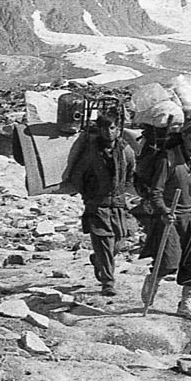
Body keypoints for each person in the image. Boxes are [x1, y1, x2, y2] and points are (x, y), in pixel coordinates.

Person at [140, 115, 191, 319]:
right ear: (184, 137)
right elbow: (156, 192)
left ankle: (186, 303)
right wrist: (164, 211)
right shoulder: (169, 159)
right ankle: (153, 280)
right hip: (171, 217)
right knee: (169, 262)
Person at [67, 114, 137, 296]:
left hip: (118, 204)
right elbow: (77, 175)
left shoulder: (125, 150)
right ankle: (108, 282)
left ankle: (98, 260)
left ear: (119, 129)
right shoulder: (91, 152)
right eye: (105, 128)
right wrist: (88, 195)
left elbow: (130, 171)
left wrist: (124, 190)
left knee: (119, 242)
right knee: (105, 242)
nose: (109, 132)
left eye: (112, 128)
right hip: (97, 205)